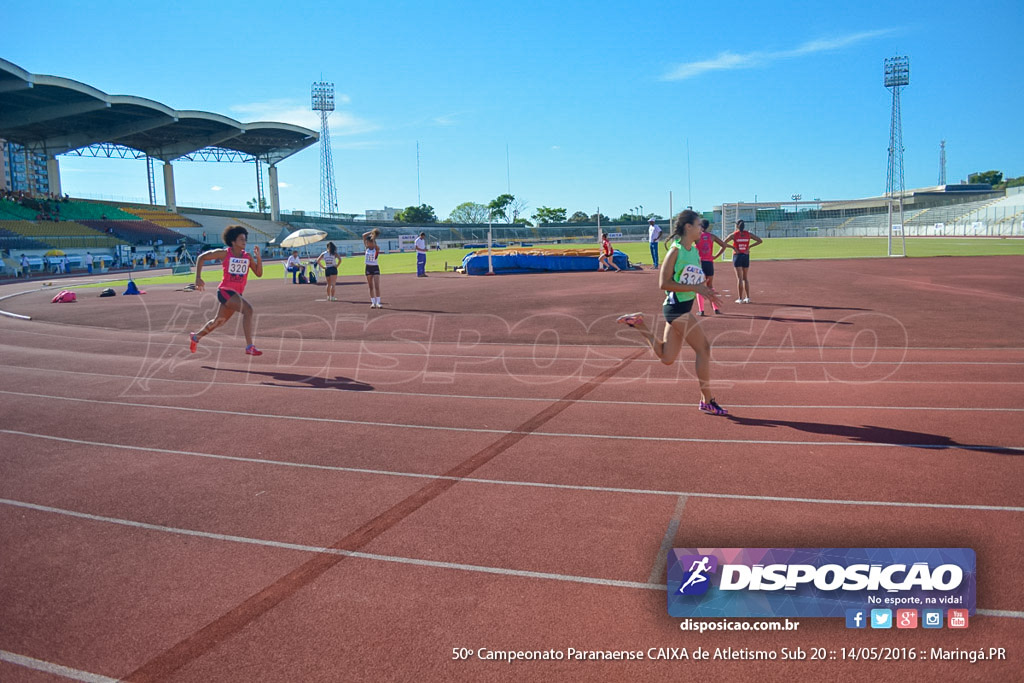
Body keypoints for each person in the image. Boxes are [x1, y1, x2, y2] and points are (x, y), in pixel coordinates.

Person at [616, 209, 728, 415]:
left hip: (682, 307)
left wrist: (705, 289)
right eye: (698, 225)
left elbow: (692, 277)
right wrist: (696, 289)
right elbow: (663, 283)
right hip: (675, 309)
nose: (701, 229)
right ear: (688, 227)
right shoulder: (675, 251)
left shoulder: (693, 250)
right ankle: (707, 400)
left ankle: (640, 324)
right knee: (703, 349)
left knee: (667, 357)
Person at [189, 225, 264, 356]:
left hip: (237, 294)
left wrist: (258, 258)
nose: (244, 242)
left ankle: (196, 337)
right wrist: (198, 278)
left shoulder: (247, 257)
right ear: (233, 242)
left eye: (245, 239)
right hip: (225, 291)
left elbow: (258, 273)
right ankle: (249, 346)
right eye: (241, 239)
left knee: (219, 321)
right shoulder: (224, 253)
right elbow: (201, 257)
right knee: (248, 310)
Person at [722, 219, 763, 303]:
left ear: (737, 226)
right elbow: (760, 240)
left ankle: (740, 298)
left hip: (737, 256)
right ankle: (747, 297)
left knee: (739, 279)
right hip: (746, 256)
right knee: (745, 278)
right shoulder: (748, 234)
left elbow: (723, 243)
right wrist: (749, 247)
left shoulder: (733, 235)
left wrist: (733, 247)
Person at [694, 219, 727, 316]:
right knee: (710, 286)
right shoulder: (712, 236)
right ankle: (716, 308)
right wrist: (715, 256)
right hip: (709, 263)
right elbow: (724, 245)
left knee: (699, 286)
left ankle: (701, 310)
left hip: (699, 264)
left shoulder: (697, 237)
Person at [363, 228, 382, 308]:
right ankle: (373, 302)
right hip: (368, 268)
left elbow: (374, 243)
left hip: (375, 267)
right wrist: (371, 232)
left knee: (376, 285)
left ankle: (378, 302)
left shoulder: (376, 248)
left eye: (369, 242)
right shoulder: (366, 249)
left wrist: (373, 236)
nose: (368, 243)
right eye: (367, 242)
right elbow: (363, 235)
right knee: (370, 286)